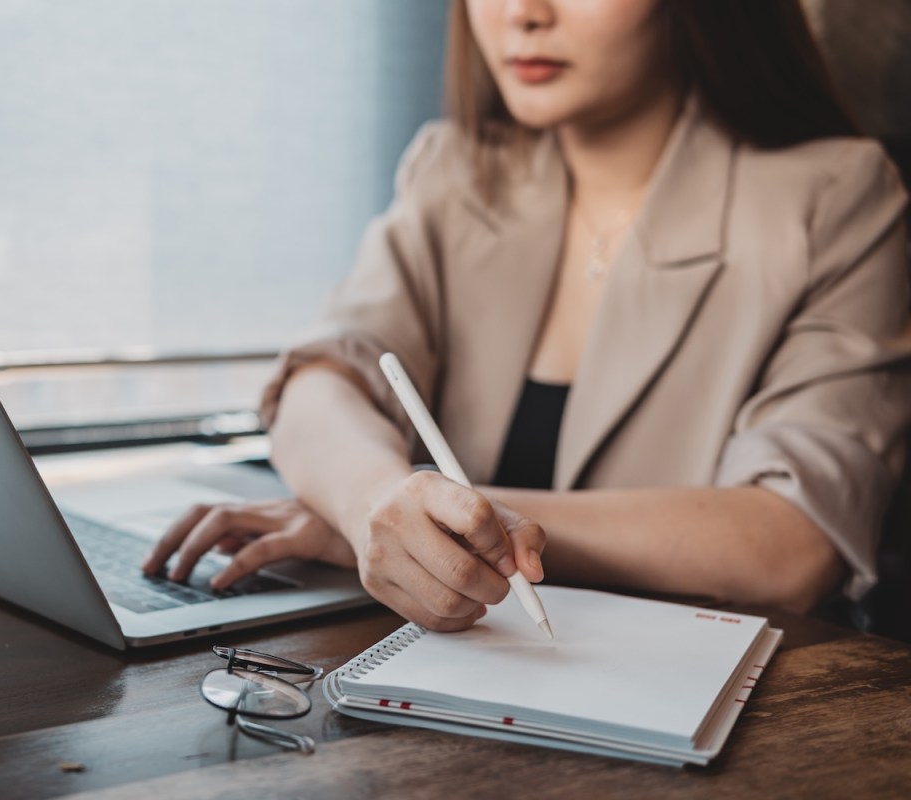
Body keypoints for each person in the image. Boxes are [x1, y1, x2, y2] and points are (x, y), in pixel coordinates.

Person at [144, 0, 911, 632]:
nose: (521, 13)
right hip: (447, 677)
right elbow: (326, 374)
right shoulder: (454, 169)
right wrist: (369, 503)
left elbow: (791, 543)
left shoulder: (838, 195)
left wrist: (442, 529)